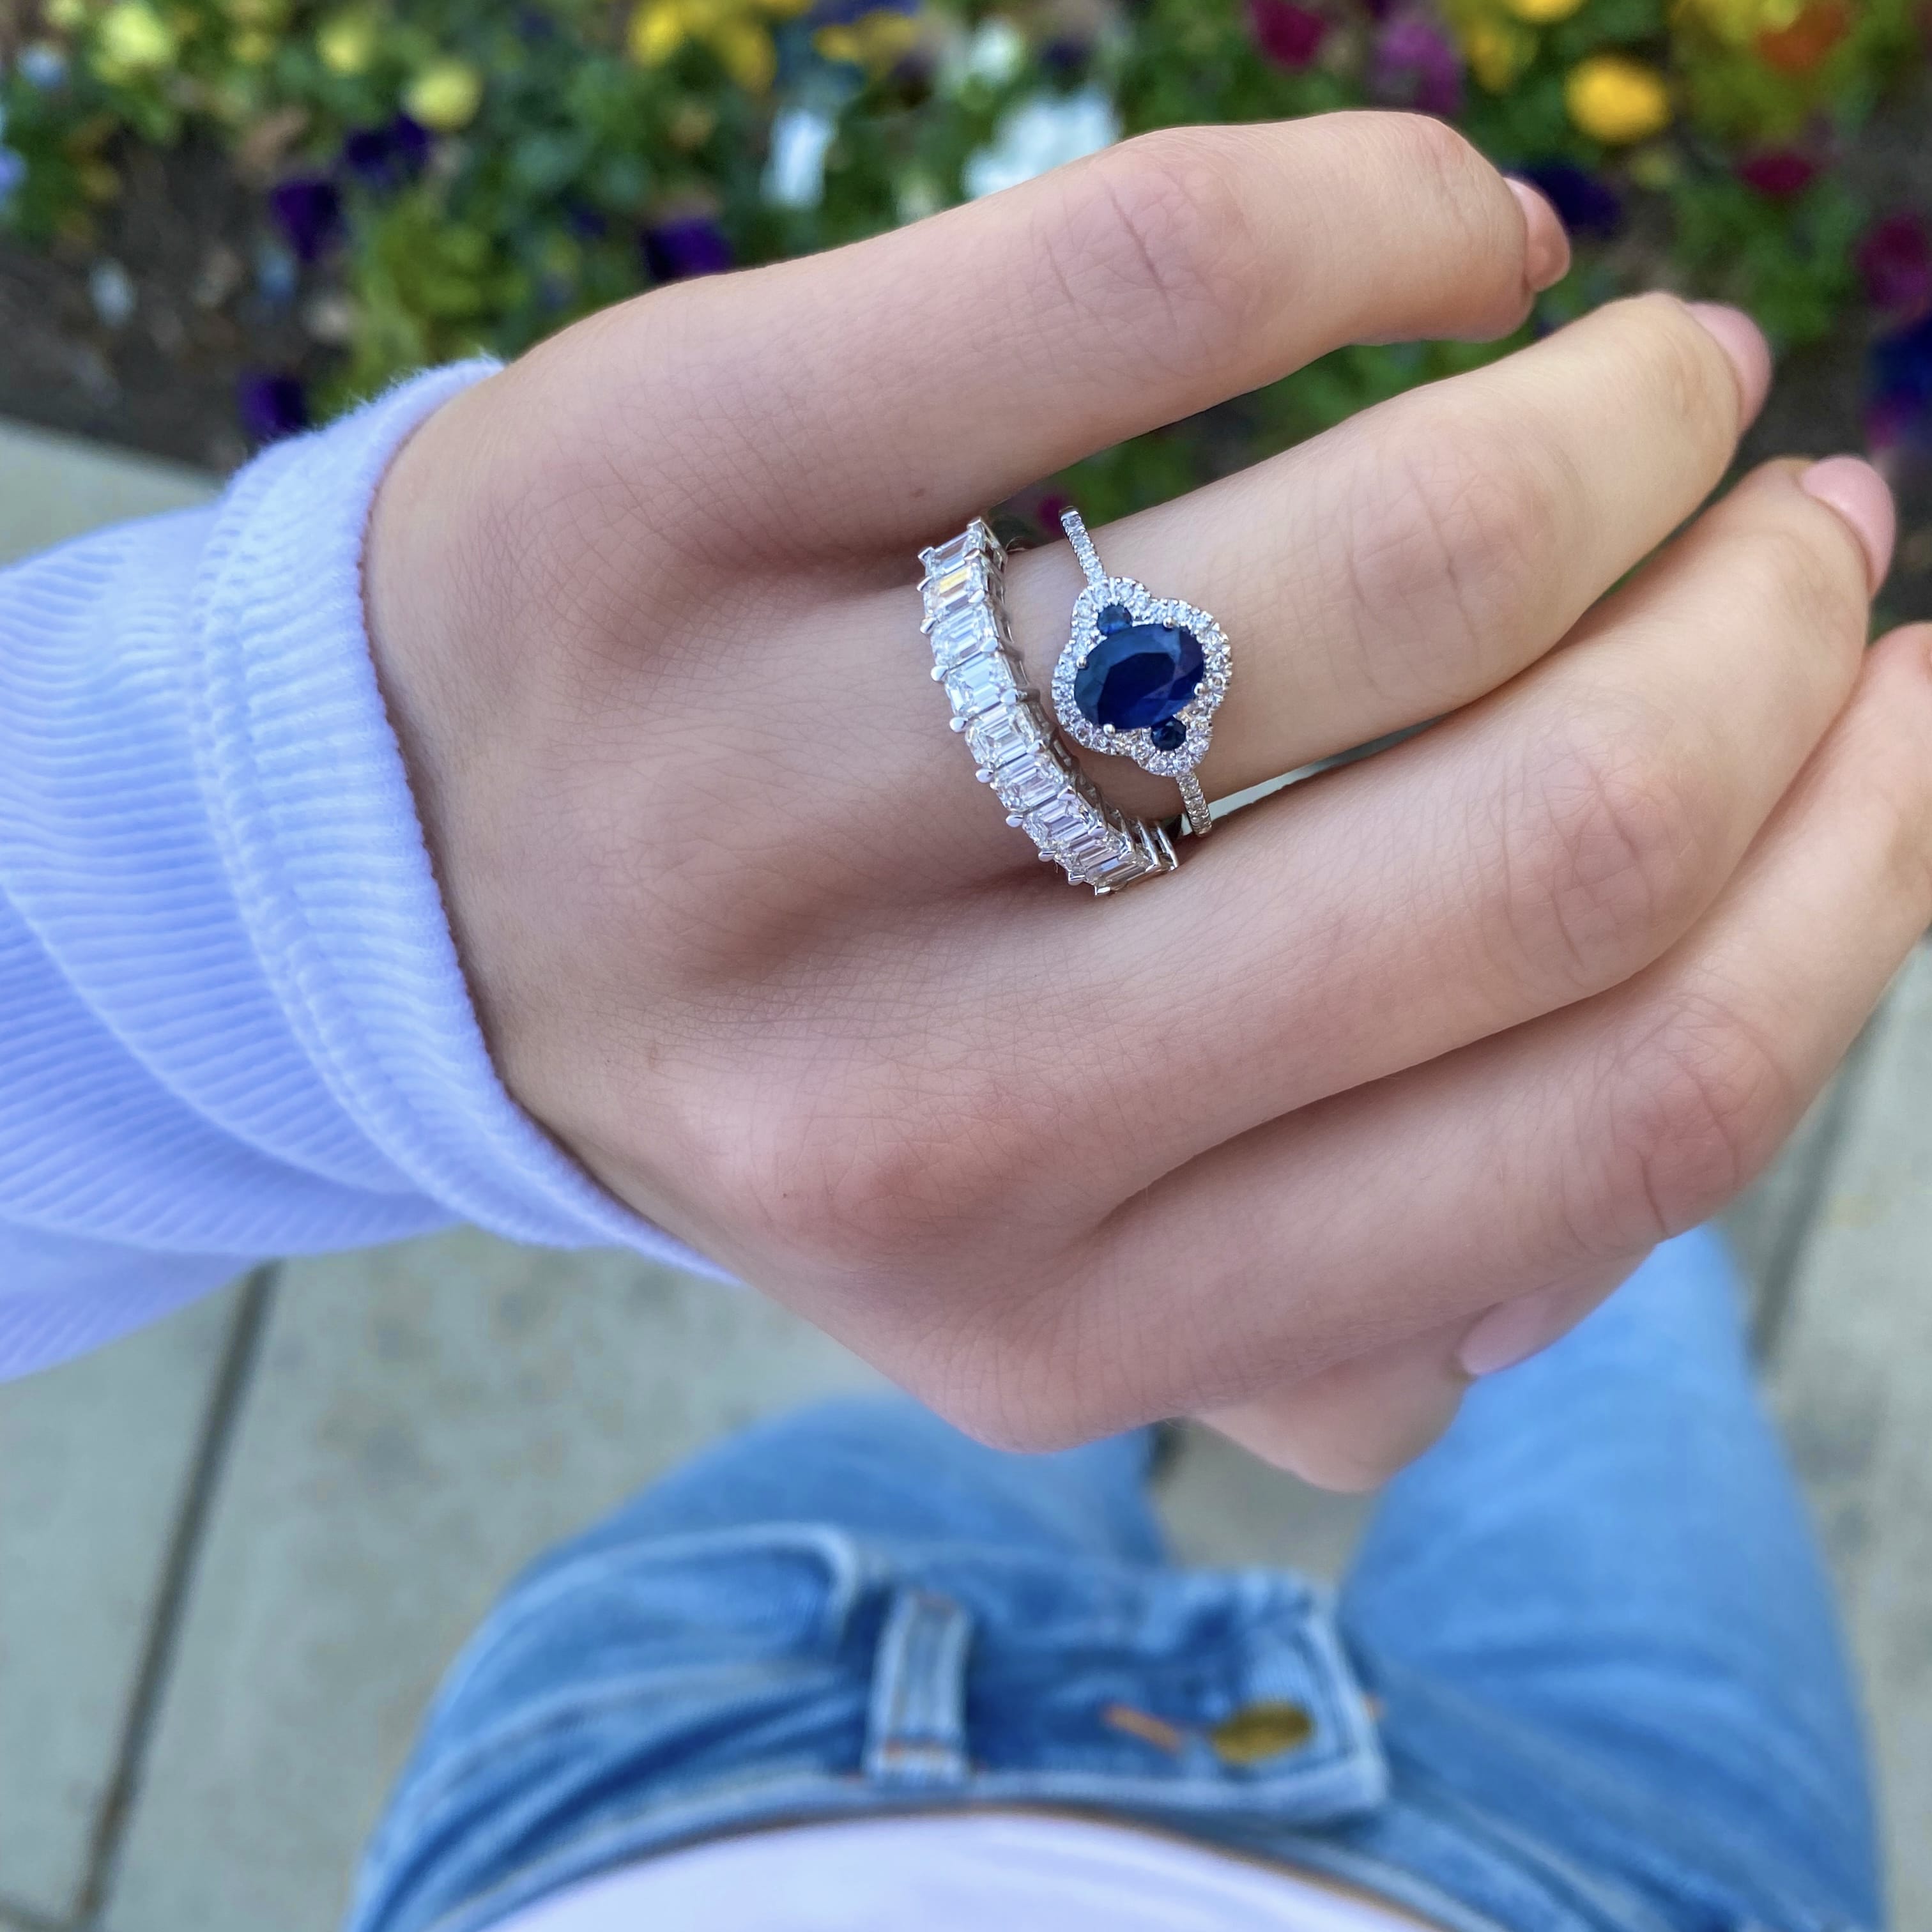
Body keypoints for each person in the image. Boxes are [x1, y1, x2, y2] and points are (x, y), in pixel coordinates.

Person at [0, 107, 1920, 1917]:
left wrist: (291, 851)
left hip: (674, 1724)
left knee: (1506, 1170)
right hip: (1642, 1868)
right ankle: (1541, 1099)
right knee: (1605, 1209)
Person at [342, 1227, 1878, 1931]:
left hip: (704, 1744)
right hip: (1617, 1871)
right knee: (1616, 1295)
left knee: (1042, 1320)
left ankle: (1153, 1350)